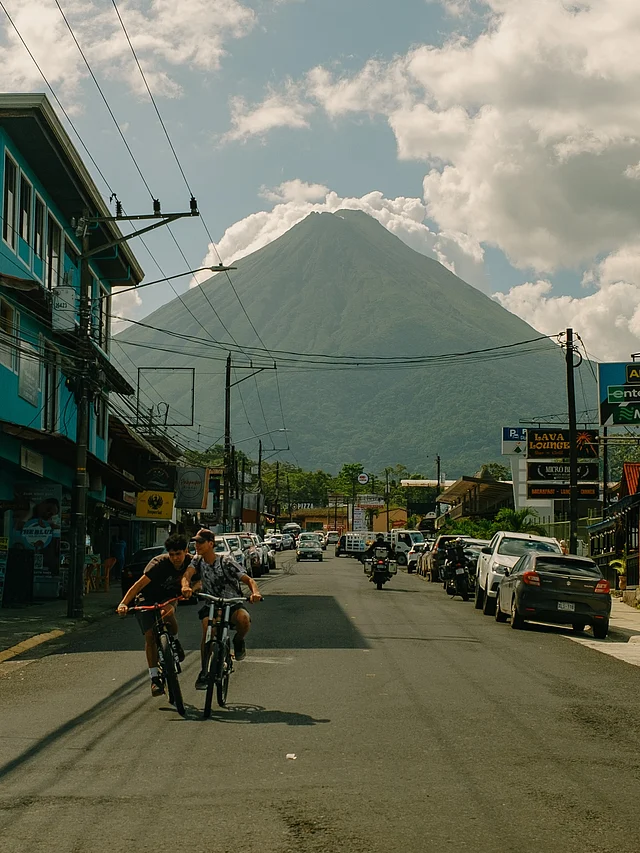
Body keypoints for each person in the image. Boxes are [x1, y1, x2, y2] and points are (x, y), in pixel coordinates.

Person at [181, 529, 262, 690]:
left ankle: (238, 641)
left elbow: (248, 579)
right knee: (207, 629)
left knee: (244, 619)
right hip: (211, 604)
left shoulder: (226, 561)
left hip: (231, 602)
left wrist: (256, 593)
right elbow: (187, 575)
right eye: (195, 542)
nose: (197, 545)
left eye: (200, 542)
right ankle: (204, 671)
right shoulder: (197, 561)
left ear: (211, 544)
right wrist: (185, 587)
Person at [117, 534, 193, 697]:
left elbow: (200, 580)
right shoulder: (158, 564)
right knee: (150, 636)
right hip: (147, 598)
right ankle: (155, 678)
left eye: (178, 554)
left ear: (186, 551)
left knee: (167, 612)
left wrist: (192, 589)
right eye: (171, 555)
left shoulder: (191, 562)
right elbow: (138, 586)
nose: (175, 558)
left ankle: (175, 642)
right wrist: (124, 603)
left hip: (169, 597)